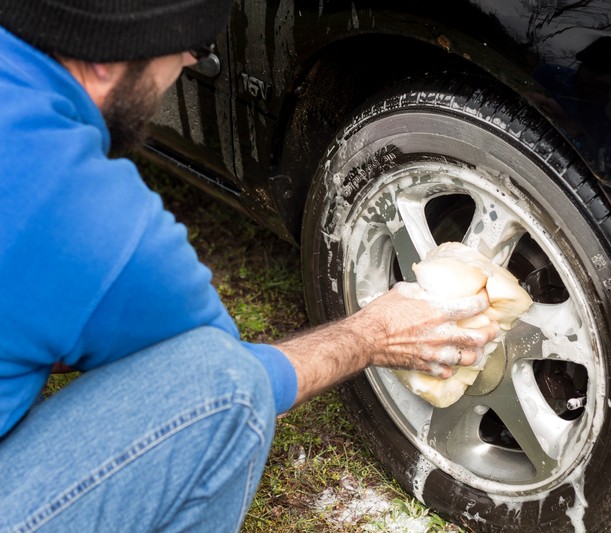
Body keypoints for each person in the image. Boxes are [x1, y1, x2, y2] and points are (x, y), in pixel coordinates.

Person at [0, 1, 498, 531]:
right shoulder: (96, 223)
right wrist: (375, 334)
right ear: (106, 57)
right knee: (226, 392)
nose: (189, 64)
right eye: (189, 48)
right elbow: (236, 383)